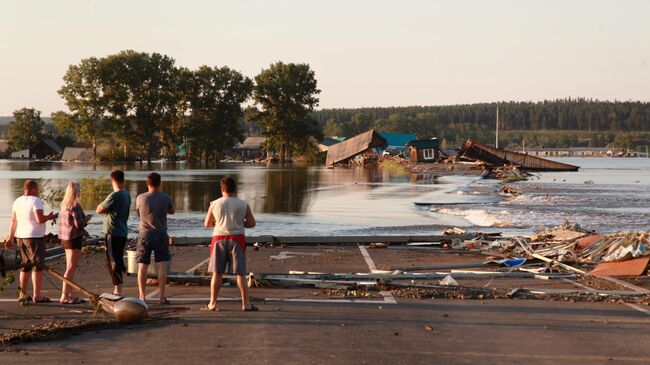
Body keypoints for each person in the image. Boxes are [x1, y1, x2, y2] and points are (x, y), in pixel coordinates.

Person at [202, 177, 257, 312]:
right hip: (237, 238)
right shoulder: (243, 204)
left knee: (217, 273)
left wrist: (218, 223)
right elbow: (252, 223)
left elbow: (207, 223)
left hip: (219, 238)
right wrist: (240, 223)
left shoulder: (214, 204)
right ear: (235, 189)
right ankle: (246, 304)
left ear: (222, 189)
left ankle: (213, 303)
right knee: (240, 273)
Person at [5, 180, 57, 303]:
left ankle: (22, 294)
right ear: (33, 189)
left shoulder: (17, 201)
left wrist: (10, 237)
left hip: (21, 237)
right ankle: (37, 295)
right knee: (37, 267)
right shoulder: (36, 201)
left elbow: (13, 221)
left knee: (25, 266)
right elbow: (39, 219)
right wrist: (49, 217)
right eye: (37, 189)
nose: (38, 192)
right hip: (34, 238)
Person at [135, 172, 174, 304]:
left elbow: (138, 213)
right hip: (161, 233)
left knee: (142, 265)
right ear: (160, 183)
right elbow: (172, 211)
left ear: (147, 183)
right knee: (161, 265)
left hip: (145, 233)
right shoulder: (166, 198)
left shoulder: (140, 198)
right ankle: (161, 297)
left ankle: (142, 296)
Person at [96, 170, 131, 296]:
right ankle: (119, 284)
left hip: (113, 231)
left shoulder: (114, 195)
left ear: (112, 181)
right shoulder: (127, 194)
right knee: (118, 258)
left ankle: (118, 288)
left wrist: (106, 210)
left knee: (112, 260)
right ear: (123, 180)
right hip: (122, 230)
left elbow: (98, 209)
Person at [58, 181, 91, 304]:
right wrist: (86, 219)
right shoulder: (75, 205)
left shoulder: (63, 205)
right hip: (74, 238)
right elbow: (79, 224)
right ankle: (65, 296)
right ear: (76, 191)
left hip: (65, 238)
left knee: (69, 267)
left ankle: (69, 294)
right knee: (71, 268)